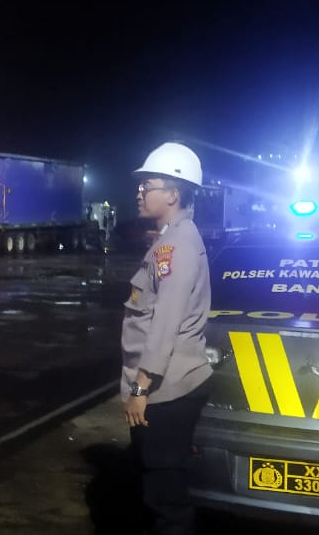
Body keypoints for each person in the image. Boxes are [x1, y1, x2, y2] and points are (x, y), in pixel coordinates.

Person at [120, 141, 213, 535]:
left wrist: (140, 388)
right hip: (164, 385)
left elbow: (165, 323)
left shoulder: (176, 246)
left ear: (173, 194)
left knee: (164, 494)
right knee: (155, 484)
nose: (140, 192)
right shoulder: (170, 239)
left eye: (148, 185)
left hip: (165, 389)